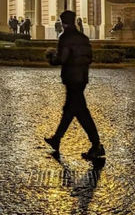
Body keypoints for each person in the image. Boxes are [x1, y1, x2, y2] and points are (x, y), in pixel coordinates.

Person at [45, 10, 105, 160]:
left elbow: (63, 58)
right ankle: (57, 139)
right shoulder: (83, 38)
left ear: (63, 22)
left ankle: (96, 145)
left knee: (81, 112)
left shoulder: (65, 37)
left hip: (71, 78)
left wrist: (51, 57)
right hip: (82, 78)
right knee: (70, 109)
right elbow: (89, 58)